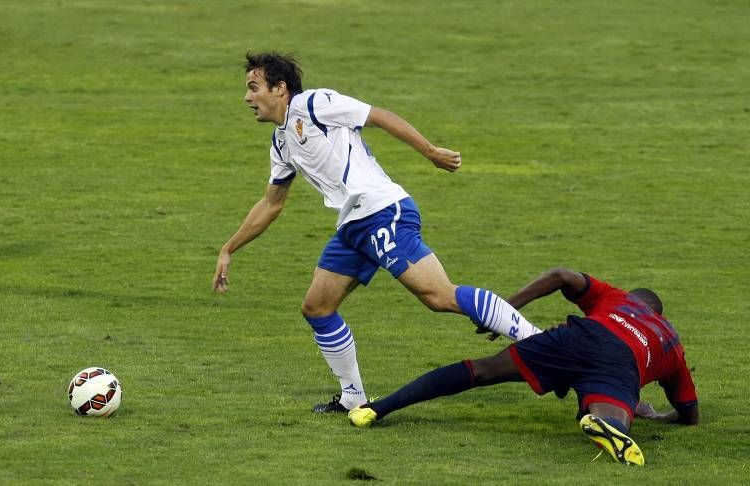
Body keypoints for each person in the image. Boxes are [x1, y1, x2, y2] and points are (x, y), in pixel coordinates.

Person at [213, 52, 543, 413]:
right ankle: (352, 397)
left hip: (382, 210)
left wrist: (431, 152)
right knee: (317, 308)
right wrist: (229, 249)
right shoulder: (281, 142)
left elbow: (379, 116)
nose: (247, 98)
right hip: (353, 225)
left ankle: (540, 342)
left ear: (279, 89)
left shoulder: (314, 103)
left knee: (437, 296)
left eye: (253, 87)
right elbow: (271, 204)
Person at [348, 268, 699, 466]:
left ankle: (377, 408)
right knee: (614, 410)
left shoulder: (617, 297)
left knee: (481, 370)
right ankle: (609, 423)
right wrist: (659, 415)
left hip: (583, 336)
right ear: (659, 315)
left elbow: (562, 275)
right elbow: (689, 413)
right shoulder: (672, 343)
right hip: (624, 362)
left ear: (634, 299)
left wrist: (506, 308)